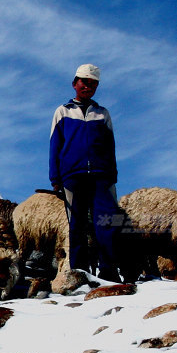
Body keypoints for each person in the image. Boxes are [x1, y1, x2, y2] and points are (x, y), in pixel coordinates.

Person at [48, 63, 121, 280]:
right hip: (72, 175)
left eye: (93, 84)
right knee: (76, 225)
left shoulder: (102, 113)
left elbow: (110, 146)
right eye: (84, 82)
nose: (88, 87)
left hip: (101, 176)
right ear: (75, 84)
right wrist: (55, 178)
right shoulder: (62, 112)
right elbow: (55, 145)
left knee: (105, 222)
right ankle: (79, 273)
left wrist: (112, 175)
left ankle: (109, 271)